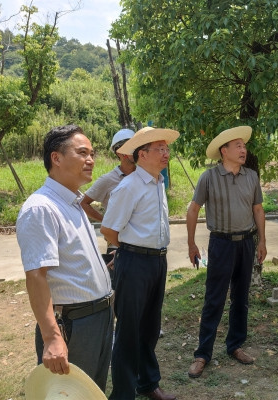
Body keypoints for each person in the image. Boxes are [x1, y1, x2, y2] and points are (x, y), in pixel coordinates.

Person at [16, 124, 114, 391]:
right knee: (69, 394)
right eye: (82, 153)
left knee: (92, 391)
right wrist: (52, 338)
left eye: (92, 153)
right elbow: (36, 276)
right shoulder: (41, 208)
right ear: (56, 158)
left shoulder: (72, 202)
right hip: (74, 324)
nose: (91, 160)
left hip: (99, 318)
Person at [100, 126, 179, 400]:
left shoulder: (158, 183)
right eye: (160, 149)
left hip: (158, 261)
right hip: (134, 262)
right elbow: (109, 230)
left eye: (166, 149)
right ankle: (123, 393)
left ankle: (148, 384)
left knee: (149, 327)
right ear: (142, 154)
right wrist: (131, 252)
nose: (166, 153)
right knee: (128, 331)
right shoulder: (129, 186)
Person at [187, 126, 267, 379]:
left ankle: (235, 345)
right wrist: (191, 243)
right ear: (224, 151)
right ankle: (203, 354)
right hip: (220, 244)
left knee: (241, 298)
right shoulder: (208, 177)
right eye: (238, 146)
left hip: (246, 242)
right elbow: (193, 210)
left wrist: (262, 241)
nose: (244, 150)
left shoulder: (251, 176)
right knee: (214, 298)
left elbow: (258, 210)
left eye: (244, 146)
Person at [81, 128, 136, 283]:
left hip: (139, 244)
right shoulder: (108, 180)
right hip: (116, 245)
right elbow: (84, 203)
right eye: (130, 147)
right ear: (119, 152)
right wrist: (105, 220)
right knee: (118, 288)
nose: (135, 150)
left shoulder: (143, 176)